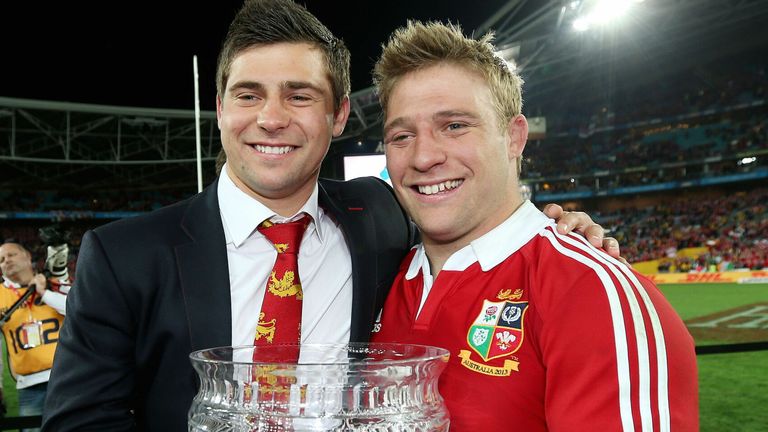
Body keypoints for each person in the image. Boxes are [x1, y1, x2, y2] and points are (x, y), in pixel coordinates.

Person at [43, 1, 617, 430]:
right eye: (247, 95)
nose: (270, 118)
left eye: (298, 95)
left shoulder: (381, 215)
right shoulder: (123, 257)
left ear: (339, 114)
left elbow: (473, 211)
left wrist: (558, 226)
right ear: (219, 110)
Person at [369, 21, 699, 431]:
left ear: (514, 137)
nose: (423, 157)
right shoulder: (379, 278)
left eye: (454, 126)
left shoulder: (591, 291)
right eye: (401, 136)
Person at [0, 241, 69, 431]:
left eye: (12, 255)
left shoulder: (54, 283)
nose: (7, 261)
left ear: (28, 256)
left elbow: (77, 308)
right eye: (2, 259)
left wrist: (44, 293)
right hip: (29, 386)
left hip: (67, 377)